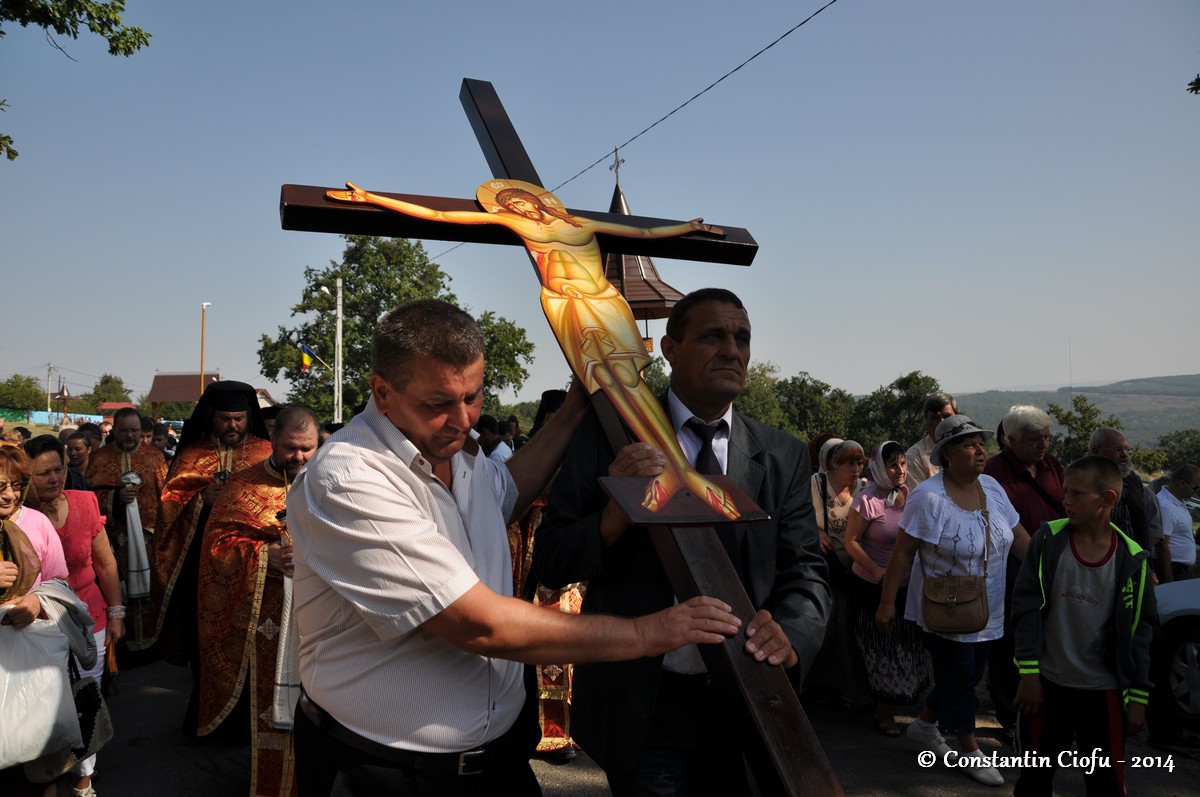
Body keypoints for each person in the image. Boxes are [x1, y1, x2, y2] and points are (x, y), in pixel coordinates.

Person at [287, 300, 741, 797]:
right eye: (438, 403)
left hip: (496, 763)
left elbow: (505, 491)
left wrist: (572, 414)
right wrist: (649, 632)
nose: (462, 420)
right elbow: (478, 625)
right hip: (383, 769)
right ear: (383, 392)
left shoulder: (458, 456)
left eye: (474, 396)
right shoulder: (350, 478)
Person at [532, 288, 830, 796]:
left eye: (742, 338)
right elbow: (552, 558)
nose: (732, 351)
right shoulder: (610, 437)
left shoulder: (781, 455)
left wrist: (793, 635)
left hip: (750, 698)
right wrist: (614, 514)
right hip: (646, 704)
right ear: (668, 348)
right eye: (713, 336)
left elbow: (805, 571)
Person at [327, 181, 738, 522]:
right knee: (614, 382)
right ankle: (671, 474)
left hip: (605, 300)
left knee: (633, 383)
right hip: (568, 304)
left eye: (472, 398)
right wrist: (373, 200)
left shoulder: (575, 220)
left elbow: (641, 233)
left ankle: (680, 469)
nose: (523, 204)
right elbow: (441, 215)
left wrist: (686, 228)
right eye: (515, 202)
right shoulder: (349, 471)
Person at [877, 415, 1030, 787]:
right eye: (969, 445)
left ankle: (925, 725)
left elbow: (1020, 536)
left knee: (971, 672)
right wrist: (887, 604)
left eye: (981, 443)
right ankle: (969, 749)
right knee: (961, 677)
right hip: (944, 608)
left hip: (988, 605)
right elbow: (902, 553)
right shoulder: (928, 497)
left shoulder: (991, 487)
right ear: (948, 455)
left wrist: (1051, 570)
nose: (981, 451)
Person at [1011, 455, 1155, 797]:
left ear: (1107, 499)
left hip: (1104, 692)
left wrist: (1138, 695)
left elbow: (1141, 632)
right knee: (1034, 781)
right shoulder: (1047, 541)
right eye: (1065, 492)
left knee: (1106, 784)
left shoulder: (1133, 560)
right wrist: (1029, 673)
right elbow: (1026, 607)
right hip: (1048, 685)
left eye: (1076, 494)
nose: (1066, 501)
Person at [197, 406, 319, 797]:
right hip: (267, 616)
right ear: (274, 442)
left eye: (307, 449)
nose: (298, 457)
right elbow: (215, 547)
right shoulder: (244, 485)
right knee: (272, 706)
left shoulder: (333, 483)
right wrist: (265, 554)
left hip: (323, 616)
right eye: (290, 448)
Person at [151, 381, 271, 734]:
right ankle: (206, 714)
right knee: (205, 642)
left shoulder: (266, 452)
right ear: (211, 418)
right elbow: (167, 509)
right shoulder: (192, 455)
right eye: (224, 419)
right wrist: (200, 499)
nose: (232, 426)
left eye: (238, 418)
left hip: (249, 564)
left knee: (246, 638)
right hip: (199, 567)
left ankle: (245, 721)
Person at [23, 435, 124, 797]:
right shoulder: (16, 516)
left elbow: (106, 562)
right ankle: (48, 773)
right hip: (35, 623)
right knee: (47, 703)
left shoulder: (84, 502)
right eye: (43, 473)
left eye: (59, 469)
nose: (54, 478)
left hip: (87, 617)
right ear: (24, 477)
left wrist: (116, 613)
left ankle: (83, 779)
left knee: (86, 697)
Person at [983, 404, 1065, 738]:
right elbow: (1004, 527)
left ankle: (1046, 709)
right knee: (1010, 644)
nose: (1042, 445)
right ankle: (1009, 716)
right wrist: (1035, 560)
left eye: (1046, 438)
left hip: (1056, 563)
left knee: (1048, 637)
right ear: (1011, 440)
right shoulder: (994, 473)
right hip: (1014, 567)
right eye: (1034, 439)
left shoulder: (1052, 466)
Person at [843, 441, 929, 737]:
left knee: (905, 642)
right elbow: (850, 542)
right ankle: (882, 709)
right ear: (880, 467)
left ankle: (902, 696)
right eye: (893, 465)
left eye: (903, 464)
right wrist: (877, 570)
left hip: (906, 586)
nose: (900, 471)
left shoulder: (909, 494)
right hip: (871, 586)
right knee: (878, 647)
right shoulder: (867, 500)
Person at [86, 407, 168, 654]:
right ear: (116, 430)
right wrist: (115, 497)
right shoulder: (100, 458)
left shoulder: (155, 458)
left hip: (149, 537)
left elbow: (167, 496)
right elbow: (90, 496)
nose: (130, 435)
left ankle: (152, 643)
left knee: (151, 587)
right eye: (124, 431)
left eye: (134, 430)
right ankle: (121, 644)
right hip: (115, 538)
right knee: (120, 587)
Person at [806, 438, 868, 708]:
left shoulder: (865, 489)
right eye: (850, 463)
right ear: (835, 464)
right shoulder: (817, 484)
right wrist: (815, 531)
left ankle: (846, 687)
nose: (856, 469)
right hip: (826, 567)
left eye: (860, 463)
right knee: (828, 626)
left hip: (855, 568)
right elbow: (799, 514)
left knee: (849, 630)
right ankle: (818, 685)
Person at [1088, 428, 1166, 577]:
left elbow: (1142, 525)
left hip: (1134, 565)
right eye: (1118, 449)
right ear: (1096, 449)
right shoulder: (1082, 479)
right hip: (1098, 567)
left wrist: (1148, 566)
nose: (1124, 454)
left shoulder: (1133, 481)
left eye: (1127, 449)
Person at [1158, 464, 1200, 582]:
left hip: (1184, 570)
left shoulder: (1178, 501)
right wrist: (1169, 582)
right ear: (1182, 483)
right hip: (1176, 571)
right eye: (1195, 488)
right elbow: (1161, 545)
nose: (1196, 492)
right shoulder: (1165, 506)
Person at [906, 393, 958, 487]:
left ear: (957, 417)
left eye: (946, 416)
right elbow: (922, 498)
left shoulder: (967, 447)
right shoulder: (914, 457)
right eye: (935, 418)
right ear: (926, 420)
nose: (942, 422)